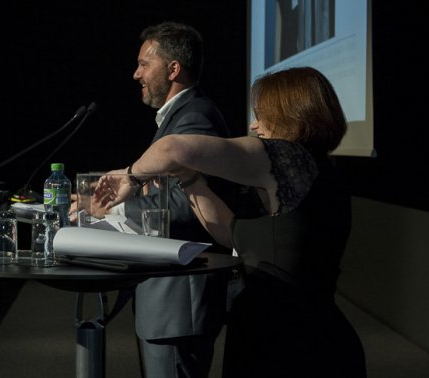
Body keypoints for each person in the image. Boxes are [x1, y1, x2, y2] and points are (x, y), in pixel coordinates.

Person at [94, 66, 367, 378]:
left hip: (291, 344)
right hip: (289, 334)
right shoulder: (317, 172)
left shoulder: (289, 157)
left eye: (262, 116)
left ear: (291, 115)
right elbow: (229, 233)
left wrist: (130, 176)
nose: (253, 125)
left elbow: (173, 148)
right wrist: (189, 180)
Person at [74, 21, 234, 378]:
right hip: (168, 302)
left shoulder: (194, 119)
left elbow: (184, 207)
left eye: (144, 64)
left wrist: (109, 208)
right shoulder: (180, 116)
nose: (136, 74)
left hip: (179, 302)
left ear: (173, 69)